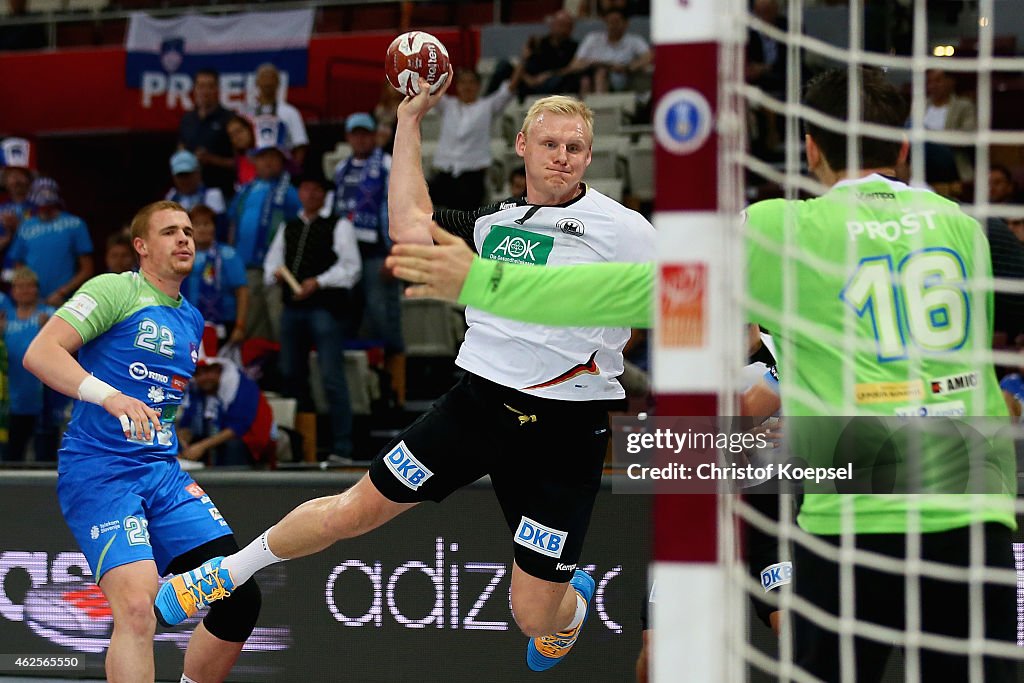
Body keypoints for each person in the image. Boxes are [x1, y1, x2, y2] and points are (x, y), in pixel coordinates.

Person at [391, 68, 1019, 681]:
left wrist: (481, 279)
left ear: (811, 147)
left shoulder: (784, 229)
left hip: (857, 509)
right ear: (904, 146)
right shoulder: (968, 228)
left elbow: (648, 294)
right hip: (970, 490)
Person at [155, 80, 655, 674]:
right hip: (477, 406)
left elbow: (671, 299)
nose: (562, 157)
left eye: (575, 147)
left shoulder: (623, 229)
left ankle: (571, 609)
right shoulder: (496, 222)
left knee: (534, 616)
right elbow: (411, 222)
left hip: (564, 430)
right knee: (351, 511)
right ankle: (227, 571)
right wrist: (410, 117)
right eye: (549, 143)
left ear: (590, 156)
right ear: (521, 145)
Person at [23, 200, 261, 682]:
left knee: (239, 596)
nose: (184, 239)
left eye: (190, 231)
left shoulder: (191, 320)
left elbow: (163, 401)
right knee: (136, 607)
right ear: (141, 247)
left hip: (163, 474)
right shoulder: (115, 290)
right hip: (101, 470)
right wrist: (109, 397)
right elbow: (40, 353)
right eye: (170, 231)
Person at [264, 174, 360, 461]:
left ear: (324, 194)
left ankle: (342, 446)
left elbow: (351, 269)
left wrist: (318, 282)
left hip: (324, 309)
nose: (310, 194)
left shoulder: (339, 225)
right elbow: (271, 264)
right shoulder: (289, 227)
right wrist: (277, 275)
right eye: (306, 187)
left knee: (332, 376)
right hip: (293, 309)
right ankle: (303, 446)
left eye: (316, 189)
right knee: (293, 376)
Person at [333, 112, 406, 406]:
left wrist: (395, 251)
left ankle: (396, 388)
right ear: (348, 137)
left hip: (378, 250)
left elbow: (399, 206)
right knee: (353, 316)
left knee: (383, 315)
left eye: (365, 133)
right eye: (355, 134)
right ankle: (368, 387)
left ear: (375, 135)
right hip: (347, 253)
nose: (360, 139)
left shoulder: (387, 165)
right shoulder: (340, 169)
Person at [227, 116, 300, 340]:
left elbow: (297, 227)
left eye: (273, 157)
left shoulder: (289, 192)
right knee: (252, 324)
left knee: (279, 322)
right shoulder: (244, 191)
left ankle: (284, 371)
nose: (267, 162)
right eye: (262, 157)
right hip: (247, 268)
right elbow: (233, 225)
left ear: (282, 160)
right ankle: (259, 370)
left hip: (277, 269)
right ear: (254, 161)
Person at [428, 67, 522, 210]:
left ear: (478, 86)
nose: (467, 87)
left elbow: (510, 89)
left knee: (466, 220)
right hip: (444, 174)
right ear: (457, 86)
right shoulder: (447, 105)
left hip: (472, 177)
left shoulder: (487, 106)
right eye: (463, 82)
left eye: (471, 82)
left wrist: (523, 60)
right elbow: (427, 89)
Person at [178, 355, 275, 467]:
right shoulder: (197, 390)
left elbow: (237, 428)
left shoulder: (242, 387)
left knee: (232, 446)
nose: (203, 378)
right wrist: (182, 441)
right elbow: (188, 422)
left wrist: (202, 446)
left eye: (208, 372)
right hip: (212, 436)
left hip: (247, 440)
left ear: (220, 370)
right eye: (198, 374)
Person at [10, 177, 93, 306]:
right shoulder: (25, 226)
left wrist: (62, 292)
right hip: (33, 303)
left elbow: (87, 269)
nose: (44, 207)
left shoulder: (75, 224)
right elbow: (18, 266)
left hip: (66, 301)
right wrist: (27, 292)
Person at [3, 267, 57, 462]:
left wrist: (47, 329)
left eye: (29, 286)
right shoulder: (4, 317)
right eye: (19, 287)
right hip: (12, 398)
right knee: (12, 454)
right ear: (13, 291)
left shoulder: (50, 314)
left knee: (45, 455)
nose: (25, 291)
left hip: (43, 398)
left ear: (37, 289)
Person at [183, 204, 248, 348]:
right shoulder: (180, 255)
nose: (202, 229)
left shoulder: (228, 254)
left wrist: (240, 326)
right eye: (197, 224)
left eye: (207, 224)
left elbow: (242, 292)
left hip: (223, 326)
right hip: (187, 325)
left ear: (214, 227)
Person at [487, 10, 580, 98]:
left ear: (571, 28)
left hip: (550, 83)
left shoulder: (574, 48)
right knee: (503, 65)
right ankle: (485, 101)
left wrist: (548, 75)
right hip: (528, 81)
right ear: (552, 25)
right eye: (559, 24)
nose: (561, 29)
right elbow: (525, 61)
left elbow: (572, 68)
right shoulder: (537, 42)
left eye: (566, 25)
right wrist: (528, 78)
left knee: (563, 80)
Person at [562, 8, 651, 95]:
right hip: (591, 75)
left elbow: (649, 56)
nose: (612, 25)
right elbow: (575, 64)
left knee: (602, 74)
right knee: (590, 77)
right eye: (609, 22)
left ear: (626, 23)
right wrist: (591, 64)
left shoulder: (634, 40)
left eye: (616, 22)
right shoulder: (592, 39)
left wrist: (629, 67)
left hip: (623, 77)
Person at [178, 68, 236, 197]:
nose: (205, 91)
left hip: (222, 193)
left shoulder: (230, 119)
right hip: (191, 195)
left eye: (210, 86)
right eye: (201, 86)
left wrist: (212, 160)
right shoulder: (187, 119)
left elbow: (240, 162)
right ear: (194, 90)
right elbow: (180, 149)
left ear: (217, 90)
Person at [246, 63, 308, 169]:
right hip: (254, 170)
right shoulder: (248, 112)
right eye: (264, 78)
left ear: (278, 82)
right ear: (257, 82)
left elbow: (300, 144)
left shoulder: (290, 112)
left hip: (282, 169)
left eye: (271, 78)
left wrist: (294, 169)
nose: (268, 82)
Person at [165, 150, 227, 217]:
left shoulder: (213, 195)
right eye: (180, 175)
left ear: (198, 173)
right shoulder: (171, 197)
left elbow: (220, 225)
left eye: (188, 174)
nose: (184, 180)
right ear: (174, 177)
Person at [226, 115, 257, 189]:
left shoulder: (267, 153)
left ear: (250, 129)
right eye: (232, 135)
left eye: (239, 131)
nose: (237, 138)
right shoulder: (239, 160)